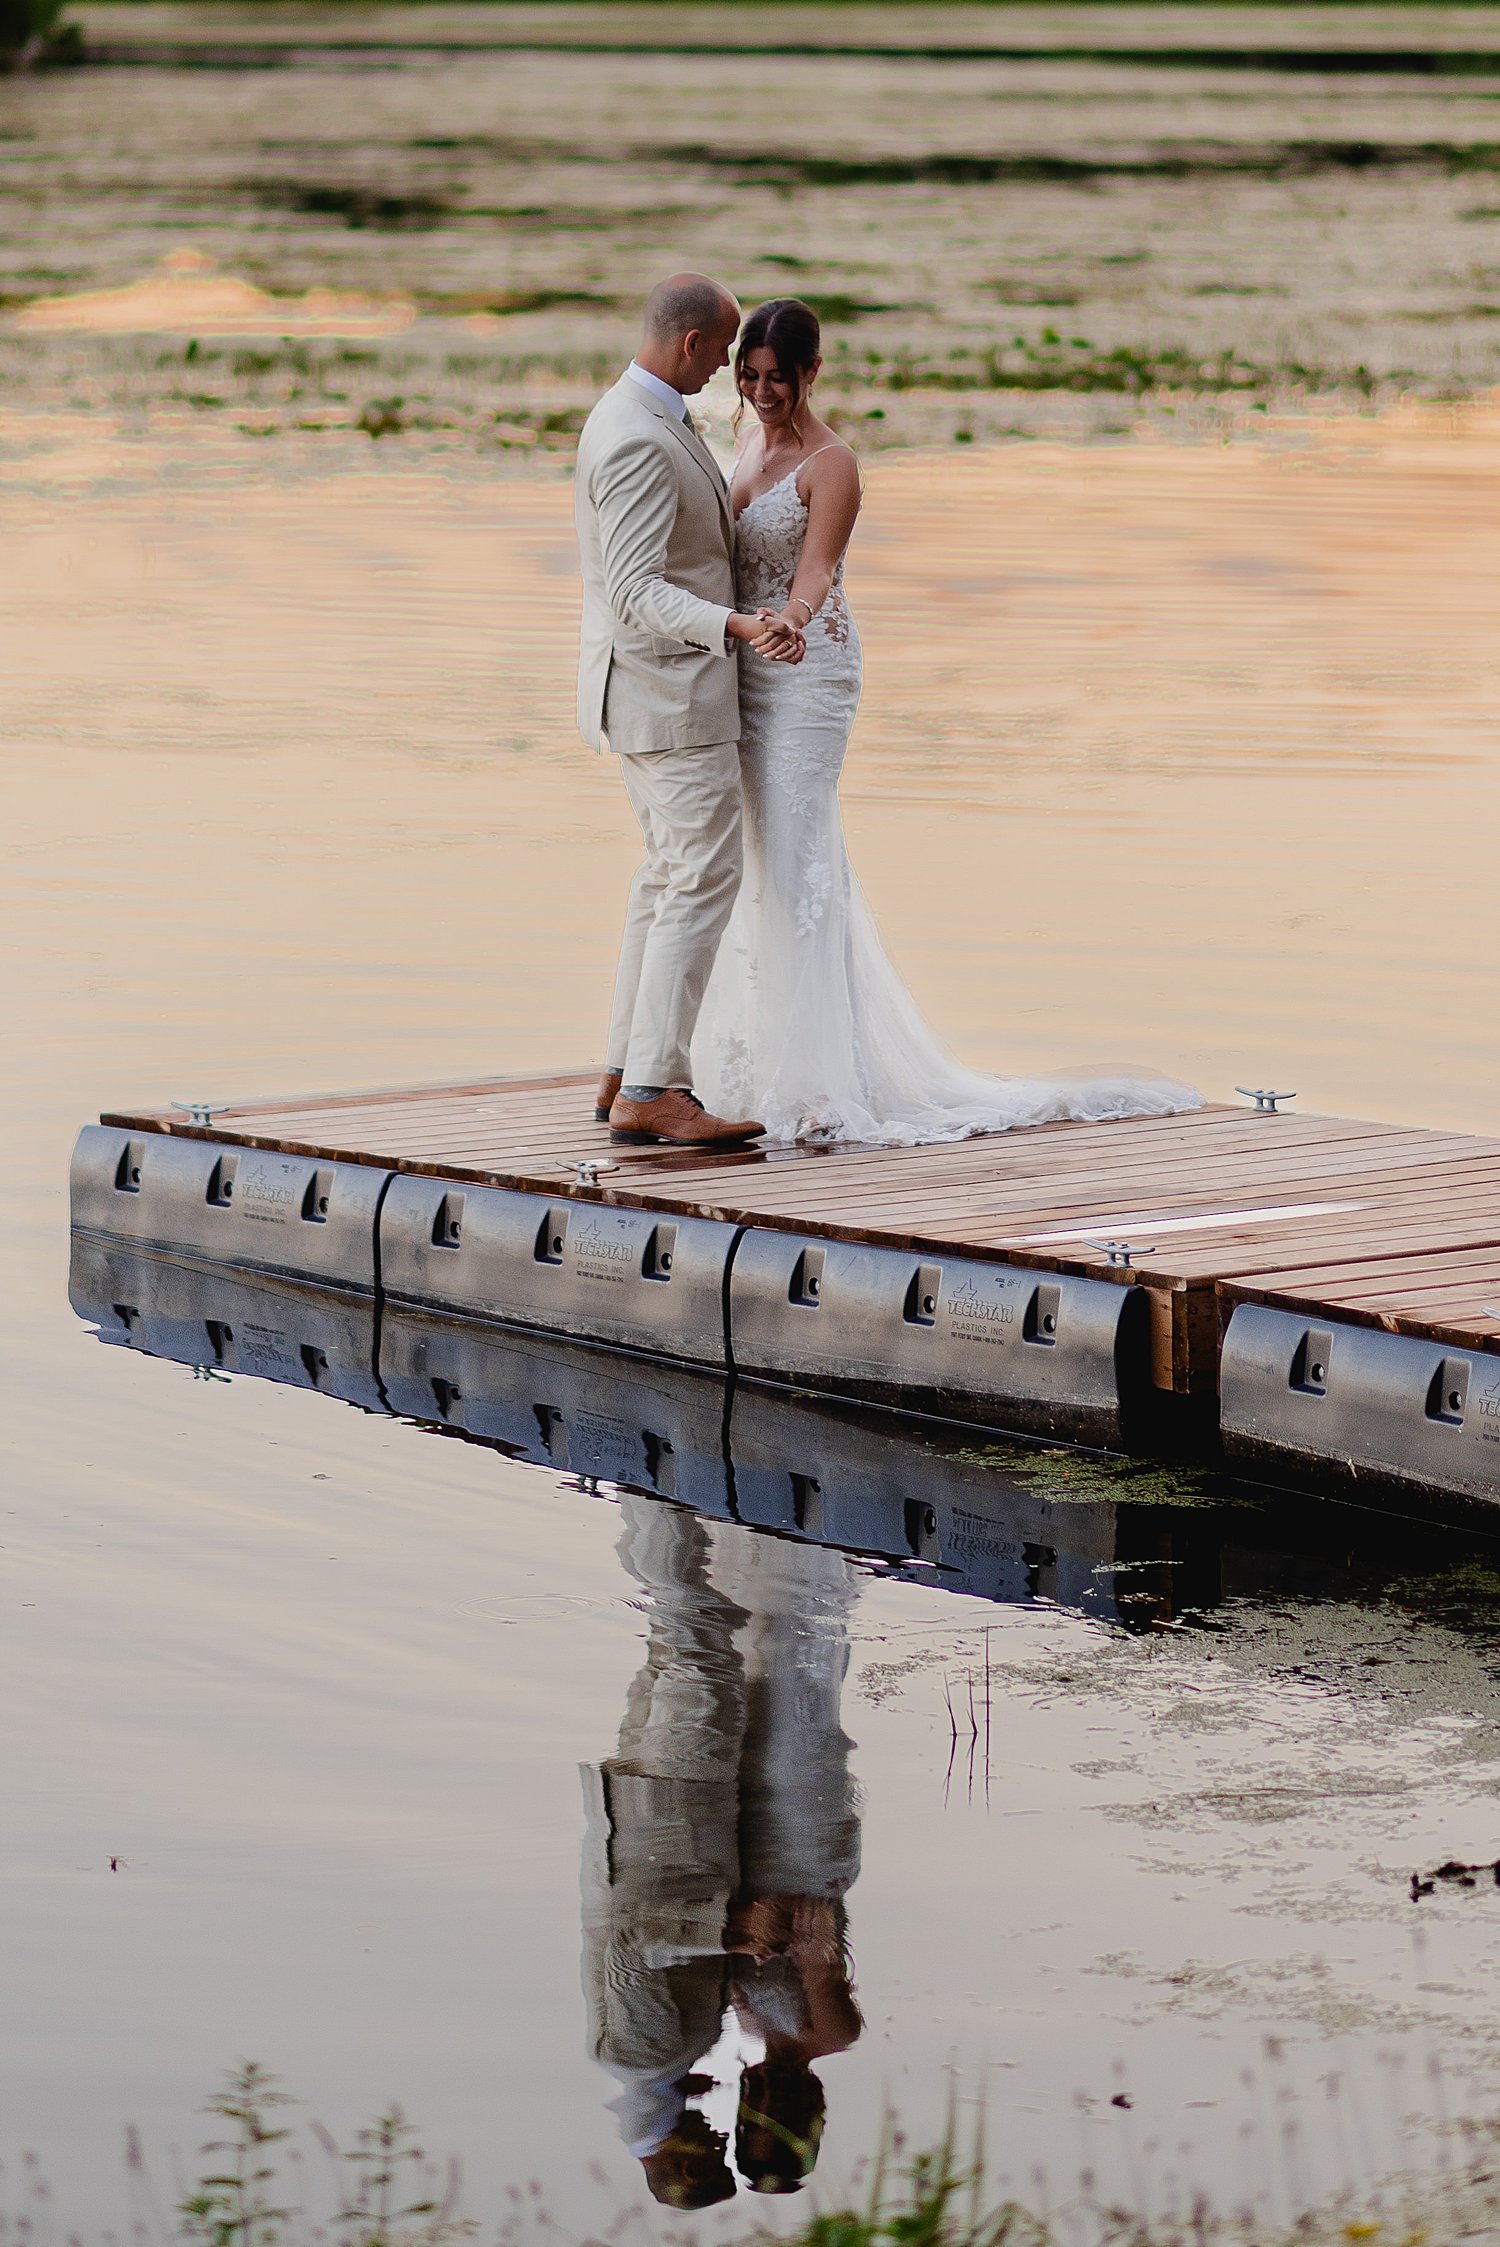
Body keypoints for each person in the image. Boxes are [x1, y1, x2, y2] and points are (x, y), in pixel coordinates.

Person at [691, 297, 1202, 1146]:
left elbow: (816, 568)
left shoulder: (833, 464)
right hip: (747, 666)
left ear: (813, 373)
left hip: (808, 670)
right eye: (749, 375)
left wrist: (796, 619)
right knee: (759, 859)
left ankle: (821, 1083)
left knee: (802, 858)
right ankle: (754, 1063)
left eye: (778, 377)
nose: (761, 390)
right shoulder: (743, 441)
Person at [579, 1498, 863, 2205]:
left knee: (700, 1644)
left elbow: (645, 1950)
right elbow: (814, 1934)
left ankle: (662, 1487)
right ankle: (723, 1502)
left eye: (739, 2129)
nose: (725, 2123)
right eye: (747, 2123)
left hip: (684, 1830)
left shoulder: (672, 2049)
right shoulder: (801, 2034)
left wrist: (734, 1932)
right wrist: (750, 1932)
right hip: (786, 1850)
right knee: (781, 1670)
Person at [575, 273, 802, 1149]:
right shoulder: (636, 437)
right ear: (689, 345)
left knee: (666, 877)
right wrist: (734, 623)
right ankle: (654, 1087)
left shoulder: (636, 415)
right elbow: (634, 592)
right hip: (667, 693)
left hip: (652, 692)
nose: (727, 372)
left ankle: (622, 1066)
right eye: (722, 350)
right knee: (703, 877)